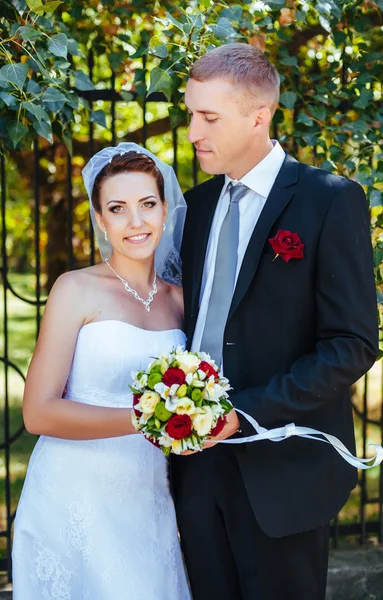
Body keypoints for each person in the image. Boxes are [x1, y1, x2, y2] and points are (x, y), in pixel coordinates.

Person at [171, 43, 379, 600]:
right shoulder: (195, 208)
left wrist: (246, 413)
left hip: (284, 471)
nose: (193, 131)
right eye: (191, 113)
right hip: (195, 470)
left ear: (258, 116)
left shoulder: (329, 200)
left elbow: (352, 342)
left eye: (208, 117)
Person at [12, 144, 191, 600]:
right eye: (118, 209)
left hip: (147, 496)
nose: (136, 222)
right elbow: (38, 413)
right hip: (73, 496)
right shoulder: (75, 289)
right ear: (100, 218)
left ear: (165, 209)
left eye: (147, 205)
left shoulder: (181, 300)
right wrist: (148, 419)